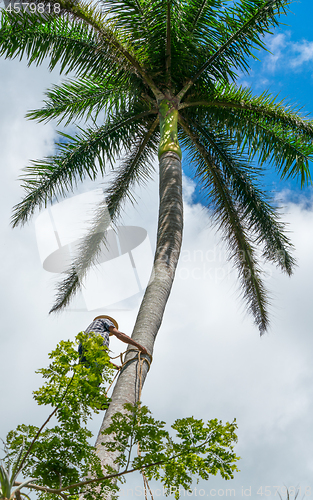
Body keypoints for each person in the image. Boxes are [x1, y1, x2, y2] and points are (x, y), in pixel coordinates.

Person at [79, 315, 148, 369]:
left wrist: (116, 367)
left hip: (83, 350)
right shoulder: (106, 321)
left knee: (91, 374)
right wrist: (138, 346)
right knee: (94, 375)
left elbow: (102, 359)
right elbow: (119, 335)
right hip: (94, 346)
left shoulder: (94, 328)